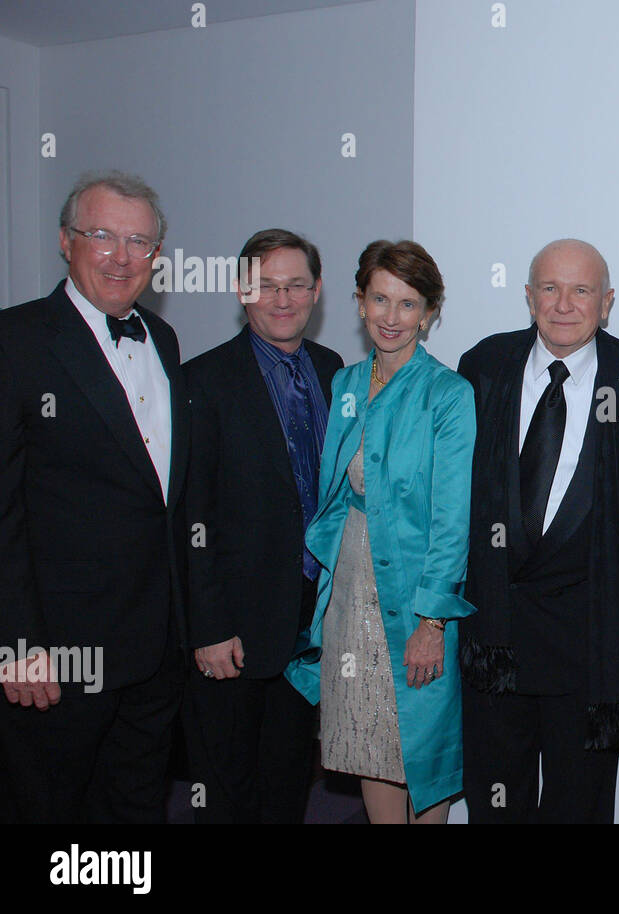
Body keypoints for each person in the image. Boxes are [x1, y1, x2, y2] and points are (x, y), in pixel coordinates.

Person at [0, 171, 189, 822]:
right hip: (58, 653)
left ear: (157, 258)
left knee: (135, 809)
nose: (122, 256)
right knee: (48, 810)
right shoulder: (16, 341)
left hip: (154, 648)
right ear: (65, 241)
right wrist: (19, 645)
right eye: (102, 235)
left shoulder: (162, 340)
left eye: (140, 242)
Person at [457, 238, 619, 823]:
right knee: (495, 802)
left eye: (582, 290)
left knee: (580, 806)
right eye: (549, 288)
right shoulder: (484, 365)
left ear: (607, 302)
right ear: (528, 296)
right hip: (494, 635)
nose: (564, 304)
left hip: (587, 638)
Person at [285, 239, 475, 824]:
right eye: (380, 300)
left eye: (409, 304)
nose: (392, 318)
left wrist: (432, 620)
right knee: (370, 742)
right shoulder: (342, 384)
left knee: (420, 745)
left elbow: (452, 519)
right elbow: (333, 496)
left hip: (418, 594)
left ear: (429, 311)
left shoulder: (448, 394)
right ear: (360, 303)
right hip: (349, 585)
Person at [182, 228, 343, 823]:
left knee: (286, 783)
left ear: (317, 291)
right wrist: (210, 626)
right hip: (234, 629)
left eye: (296, 285)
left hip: (311, 621)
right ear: (241, 291)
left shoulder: (334, 372)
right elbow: (192, 518)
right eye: (265, 285)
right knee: (226, 790)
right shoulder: (202, 382)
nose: (282, 299)